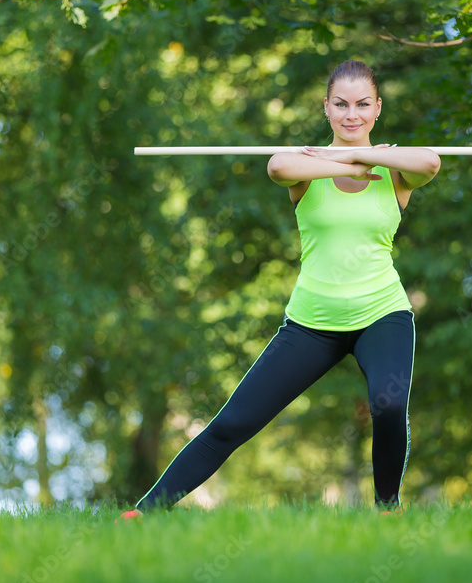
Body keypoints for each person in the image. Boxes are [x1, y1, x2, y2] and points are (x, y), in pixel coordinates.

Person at [120, 60, 440, 519]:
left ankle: (387, 510)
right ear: (326, 108)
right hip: (312, 322)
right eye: (341, 104)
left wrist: (366, 156)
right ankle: (144, 513)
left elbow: (430, 161)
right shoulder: (304, 167)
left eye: (363, 104)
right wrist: (338, 160)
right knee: (234, 422)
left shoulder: (396, 172)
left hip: (382, 313)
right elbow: (277, 167)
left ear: (377, 108)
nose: (352, 114)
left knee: (388, 405)